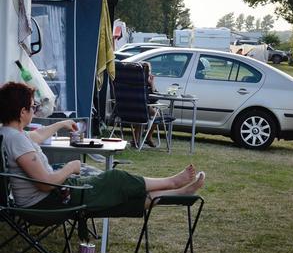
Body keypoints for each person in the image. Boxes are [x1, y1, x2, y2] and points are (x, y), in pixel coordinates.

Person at [0, 82, 204, 217]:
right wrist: (71, 167)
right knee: (116, 179)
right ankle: (173, 184)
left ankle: (177, 192)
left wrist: (62, 124)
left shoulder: (11, 134)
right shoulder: (16, 140)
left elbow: (37, 136)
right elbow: (44, 184)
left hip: (53, 196)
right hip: (47, 204)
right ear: (22, 111)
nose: (35, 109)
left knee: (115, 193)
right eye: (32, 106)